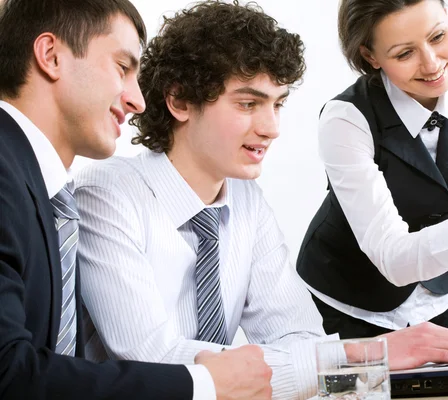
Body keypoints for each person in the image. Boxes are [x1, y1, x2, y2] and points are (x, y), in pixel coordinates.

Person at [74, 1, 448, 399]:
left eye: (278, 104)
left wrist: (325, 360)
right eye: (248, 104)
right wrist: (367, 352)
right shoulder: (108, 197)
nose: (271, 128)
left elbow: (299, 333)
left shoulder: (245, 200)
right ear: (179, 101)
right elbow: (156, 361)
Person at [0, 1, 273, 399]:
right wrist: (205, 384)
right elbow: (8, 373)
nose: (138, 101)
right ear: (51, 56)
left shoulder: (42, 192)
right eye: (122, 67)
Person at [297, 0, 448, 339]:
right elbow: (393, 258)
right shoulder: (345, 119)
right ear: (371, 56)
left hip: (439, 296)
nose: (432, 64)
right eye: (403, 54)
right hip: (348, 300)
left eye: (438, 36)